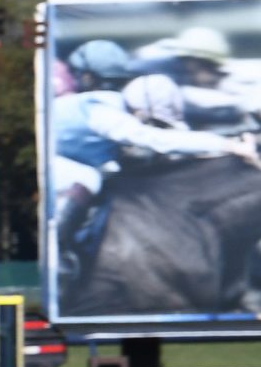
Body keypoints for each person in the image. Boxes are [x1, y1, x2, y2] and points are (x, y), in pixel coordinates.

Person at [50, 40, 256, 278]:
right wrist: (227, 145)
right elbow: (157, 139)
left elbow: (168, 141)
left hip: (69, 158)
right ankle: (56, 250)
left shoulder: (119, 106)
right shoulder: (103, 112)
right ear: (140, 112)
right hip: (46, 159)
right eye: (154, 122)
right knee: (90, 177)